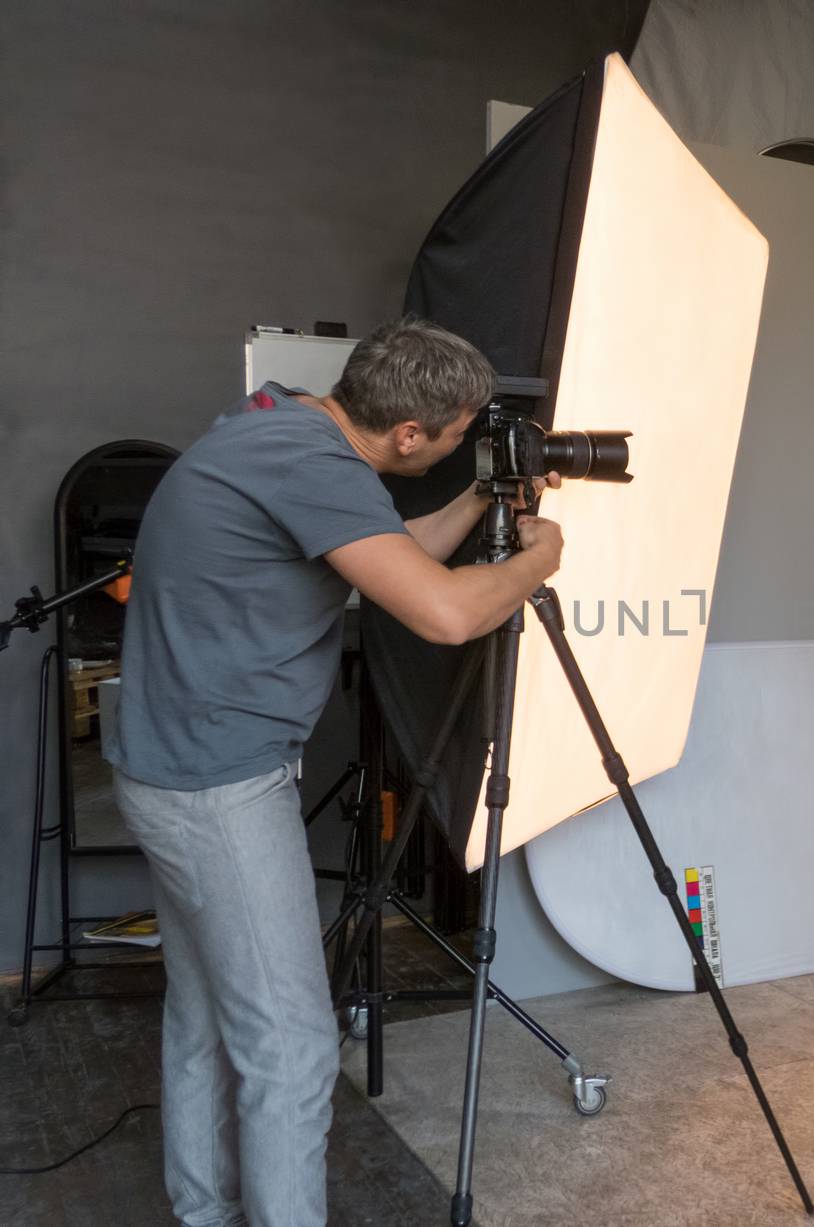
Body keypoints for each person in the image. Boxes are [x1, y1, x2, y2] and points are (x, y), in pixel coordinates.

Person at [104, 318, 562, 1227]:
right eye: (453, 435)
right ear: (405, 435)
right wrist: (542, 555)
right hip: (218, 787)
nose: (458, 443)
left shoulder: (280, 427)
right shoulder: (311, 464)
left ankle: (204, 1212)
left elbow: (396, 552)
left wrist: (478, 497)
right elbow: (440, 611)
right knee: (292, 1045)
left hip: (169, 768)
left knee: (204, 1019)